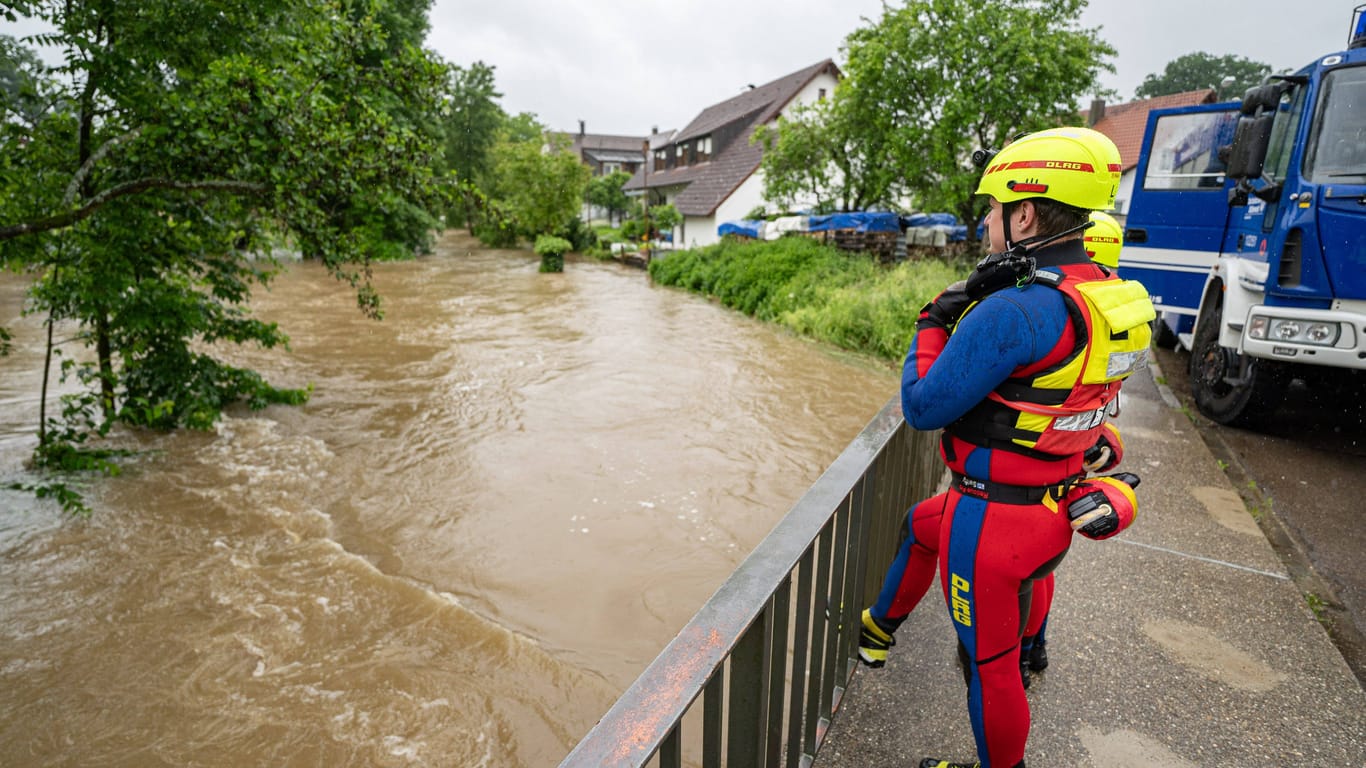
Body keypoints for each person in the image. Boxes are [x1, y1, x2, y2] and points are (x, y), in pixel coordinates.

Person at [855, 126, 1154, 768]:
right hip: (1050, 508)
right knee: (923, 526)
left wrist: (933, 319)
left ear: (1023, 212)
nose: (988, 219)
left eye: (992, 208)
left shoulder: (1014, 310)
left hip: (991, 522)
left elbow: (923, 407)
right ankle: (879, 628)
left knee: (990, 668)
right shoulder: (1103, 292)